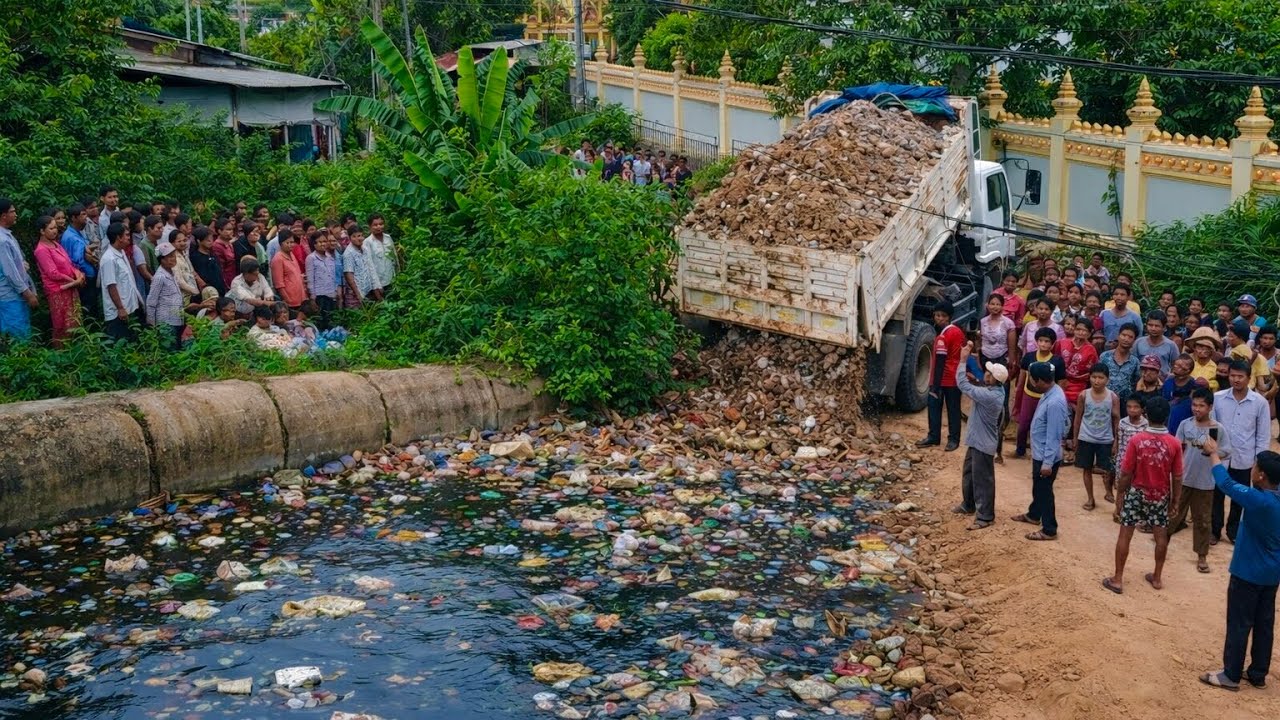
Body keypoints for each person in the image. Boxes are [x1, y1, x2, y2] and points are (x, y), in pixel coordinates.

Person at [1198, 442, 1280, 692]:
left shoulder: (1259, 500)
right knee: (1264, 624)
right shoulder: (1272, 498)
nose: (1251, 470)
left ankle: (1231, 674)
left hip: (1248, 572)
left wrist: (1213, 454)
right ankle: (1257, 674)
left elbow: (1226, 484)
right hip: (1271, 573)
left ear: (1261, 475)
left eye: (1255, 467)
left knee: (1239, 623)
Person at [1103, 396, 1181, 594]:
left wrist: (1120, 496)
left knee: (1125, 533)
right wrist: (1175, 501)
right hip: (1160, 494)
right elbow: (1177, 476)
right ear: (1167, 416)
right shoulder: (1174, 443)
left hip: (1136, 492)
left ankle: (1118, 578)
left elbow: (1126, 472)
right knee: (1160, 535)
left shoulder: (1137, 440)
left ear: (1146, 413)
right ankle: (1157, 577)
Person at [1173, 387, 1232, 574]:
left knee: (1203, 520)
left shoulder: (1217, 429)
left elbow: (1227, 451)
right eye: (1194, 405)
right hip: (1184, 478)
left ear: (1210, 407)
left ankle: (1202, 556)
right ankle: (1162, 542)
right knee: (1173, 513)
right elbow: (1177, 447)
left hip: (1205, 482)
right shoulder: (1185, 424)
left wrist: (1213, 452)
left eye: (1201, 406)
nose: (1196, 409)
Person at [1215, 359, 1273, 545]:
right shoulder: (1218, 398)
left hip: (1244, 458)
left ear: (1249, 378)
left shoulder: (1260, 402)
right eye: (1232, 375)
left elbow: (1263, 434)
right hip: (1221, 457)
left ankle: (1233, 531)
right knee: (1217, 494)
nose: (1236, 380)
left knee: (1240, 497)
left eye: (1240, 376)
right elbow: (1212, 428)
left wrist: (1259, 461)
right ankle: (1214, 530)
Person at [952, 342, 1006, 530]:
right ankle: (968, 504)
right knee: (970, 474)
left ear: (993, 379)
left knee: (983, 480)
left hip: (982, 444)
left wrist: (963, 360)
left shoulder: (989, 396)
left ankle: (985, 517)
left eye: (988, 373)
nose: (986, 374)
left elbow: (962, 385)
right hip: (978, 441)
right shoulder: (996, 391)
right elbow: (979, 386)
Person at [1013, 361, 1069, 540]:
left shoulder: (1055, 402)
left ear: (1039, 380)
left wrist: (1047, 463)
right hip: (1041, 452)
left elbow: (1054, 435)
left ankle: (1049, 529)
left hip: (1047, 455)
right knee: (1038, 487)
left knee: (1044, 492)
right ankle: (1034, 515)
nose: (1030, 381)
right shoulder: (1050, 392)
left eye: (1032, 379)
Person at [917, 300, 966, 451]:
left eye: (943, 316)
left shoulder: (943, 337)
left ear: (949, 317)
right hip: (955, 377)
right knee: (953, 409)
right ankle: (953, 439)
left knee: (936, 407)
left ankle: (935, 437)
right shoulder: (958, 332)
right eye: (937, 315)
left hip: (944, 378)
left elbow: (940, 362)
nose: (939, 318)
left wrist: (935, 386)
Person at [1071, 362, 1119, 511]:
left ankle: (1108, 490)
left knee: (1109, 468)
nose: (1097, 381)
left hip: (1106, 439)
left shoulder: (1112, 397)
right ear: (1089, 378)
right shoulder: (1083, 395)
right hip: (1086, 437)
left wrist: (1116, 441)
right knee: (1086, 468)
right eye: (1094, 377)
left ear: (1107, 380)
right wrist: (1075, 438)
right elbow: (1078, 417)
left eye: (1101, 378)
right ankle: (1090, 498)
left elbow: (1116, 419)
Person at [32, 214, 85, 346]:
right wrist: (73, 281)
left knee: (74, 321)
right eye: (51, 228)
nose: (55, 231)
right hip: (58, 291)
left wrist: (78, 274)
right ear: (42, 231)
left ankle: (74, 349)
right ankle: (61, 352)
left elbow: (69, 263)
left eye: (55, 227)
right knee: (61, 324)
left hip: (70, 287)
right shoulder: (41, 250)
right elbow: (53, 273)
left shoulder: (55, 244)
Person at [1015, 328, 1066, 457]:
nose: (1043, 344)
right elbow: (1021, 379)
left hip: (1047, 398)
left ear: (1052, 344)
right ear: (1036, 341)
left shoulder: (1057, 361)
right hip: (1028, 396)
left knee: (1044, 426)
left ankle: (1044, 453)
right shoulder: (1028, 357)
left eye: (1047, 341)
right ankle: (1020, 451)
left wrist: (1060, 398)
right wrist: (1018, 399)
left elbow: (1061, 383)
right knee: (1023, 426)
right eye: (1041, 340)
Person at [99, 221, 145, 342]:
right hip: (118, 312)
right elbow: (111, 285)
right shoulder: (109, 259)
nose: (129, 238)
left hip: (129, 306)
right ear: (118, 238)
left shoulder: (121, 252)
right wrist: (120, 308)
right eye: (126, 235)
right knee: (120, 343)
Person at [0, 199, 38, 341]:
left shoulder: (7, 236)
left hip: (14, 295)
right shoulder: (2, 241)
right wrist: (28, 294)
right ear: (3, 216)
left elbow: (16, 264)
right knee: (18, 337)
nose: (16, 214)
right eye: (13, 211)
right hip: (10, 296)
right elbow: (10, 273)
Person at [145, 242, 188, 349]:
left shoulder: (171, 272)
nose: (173, 259)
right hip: (166, 321)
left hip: (176, 319)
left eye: (173, 255)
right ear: (162, 260)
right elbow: (151, 301)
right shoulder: (160, 277)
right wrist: (152, 324)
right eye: (169, 257)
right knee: (169, 350)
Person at [61, 203, 99, 320]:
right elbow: (78, 261)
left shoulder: (76, 233)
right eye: (83, 215)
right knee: (88, 309)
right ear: (74, 218)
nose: (86, 218)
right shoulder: (71, 237)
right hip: (85, 278)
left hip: (86, 277)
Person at [1114, 395, 1149, 506]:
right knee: (1122, 486)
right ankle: (1119, 508)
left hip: (1140, 462)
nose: (1132, 409)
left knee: (1137, 488)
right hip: (1124, 459)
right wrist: (1118, 458)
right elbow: (1119, 441)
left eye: (1136, 407)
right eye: (1129, 407)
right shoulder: (1122, 423)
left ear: (1142, 409)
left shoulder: (1146, 425)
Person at [1099, 322, 1141, 407]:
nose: (1126, 339)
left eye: (1130, 337)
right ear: (1118, 336)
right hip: (1104, 401)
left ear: (1134, 340)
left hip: (1125, 404)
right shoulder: (1105, 356)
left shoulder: (1135, 362)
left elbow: (1135, 382)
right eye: (1123, 335)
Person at [305, 231, 340, 328]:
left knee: (332, 320)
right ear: (314, 244)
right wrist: (312, 298)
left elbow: (333, 275)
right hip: (320, 296)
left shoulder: (330, 257)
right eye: (320, 242)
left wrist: (336, 291)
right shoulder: (311, 258)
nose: (323, 244)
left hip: (331, 294)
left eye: (324, 241)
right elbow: (310, 279)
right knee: (322, 322)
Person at [1226, 320, 1272, 393]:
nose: (1228, 338)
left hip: (1244, 387)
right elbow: (1262, 386)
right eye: (1228, 335)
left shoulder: (1237, 351)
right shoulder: (1250, 351)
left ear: (1240, 338)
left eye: (1231, 336)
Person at [342, 225, 382, 307]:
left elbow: (371, 268)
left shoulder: (365, 249)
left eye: (359, 235)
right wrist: (358, 295)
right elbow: (349, 276)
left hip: (368, 290)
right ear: (349, 238)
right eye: (354, 236)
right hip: (355, 295)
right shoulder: (348, 254)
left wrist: (377, 286)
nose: (358, 238)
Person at [270, 230, 306, 311]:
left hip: (300, 298)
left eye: (292, 242)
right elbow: (279, 284)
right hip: (290, 301)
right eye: (287, 243)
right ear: (281, 244)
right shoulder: (278, 259)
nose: (290, 245)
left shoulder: (292, 255)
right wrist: (287, 300)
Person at [1136, 311, 1180, 375]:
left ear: (1164, 327)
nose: (1153, 328)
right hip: (1141, 379)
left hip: (1163, 380)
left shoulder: (1171, 345)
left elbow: (1175, 366)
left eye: (1157, 326)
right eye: (1150, 325)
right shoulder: (1138, 343)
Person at [1163, 353, 1198, 433]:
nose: (1176, 367)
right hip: (1168, 420)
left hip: (1185, 420)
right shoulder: (1168, 382)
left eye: (1180, 366)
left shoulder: (1193, 385)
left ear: (1188, 370)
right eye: (1176, 364)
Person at [365, 213, 397, 295]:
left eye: (381, 224)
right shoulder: (368, 242)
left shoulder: (388, 238)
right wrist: (376, 285)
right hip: (379, 284)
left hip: (392, 280)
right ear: (370, 226)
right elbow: (369, 265)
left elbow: (394, 258)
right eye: (375, 225)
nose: (379, 227)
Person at [190, 226, 226, 297]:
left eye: (211, 239)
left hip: (220, 290)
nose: (211, 242)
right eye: (207, 240)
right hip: (210, 293)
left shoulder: (212, 253)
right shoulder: (196, 257)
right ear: (199, 241)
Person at [1189, 326, 1223, 390]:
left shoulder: (1216, 366)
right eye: (1199, 347)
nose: (1202, 350)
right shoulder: (1188, 363)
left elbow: (1219, 383)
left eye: (1207, 347)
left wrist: (1209, 384)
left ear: (1211, 350)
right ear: (1194, 348)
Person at [213, 218, 238, 289]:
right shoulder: (217, 246)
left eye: (232, 229)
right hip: (225, 281)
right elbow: (220, 269)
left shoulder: (229, 243)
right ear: (219, 231)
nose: (231, 232)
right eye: (228, 229)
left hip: (233, 278)